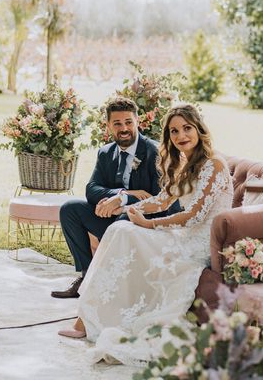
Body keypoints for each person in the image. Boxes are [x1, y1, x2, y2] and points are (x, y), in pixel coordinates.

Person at [57, 103, 233, 366]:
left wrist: (149, 225)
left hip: (199, 244)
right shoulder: (185, 163)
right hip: (182, 235)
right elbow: (162, 200)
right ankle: (88, 317)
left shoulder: (214, 164)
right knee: (120, 228)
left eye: (187, 128)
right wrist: (128, 208)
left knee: (124, 232)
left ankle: (88, 320)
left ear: (199, 129)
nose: (181, 136)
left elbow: (195, 215)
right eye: (174, 131)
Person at [52, 97, 181, 299]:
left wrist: (122, 203)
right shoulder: (105, 153)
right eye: (117, 123)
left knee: (122, 222)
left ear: (138, 121)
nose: (124, 128)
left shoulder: (155, 152)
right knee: (69, 209)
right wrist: (121, 194)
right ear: (108, 126)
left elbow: (160, 200)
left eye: (129, 122)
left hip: (144, 223)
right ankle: (87, 276)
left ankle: (110, 284)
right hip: (113, 218)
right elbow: (91, 189)